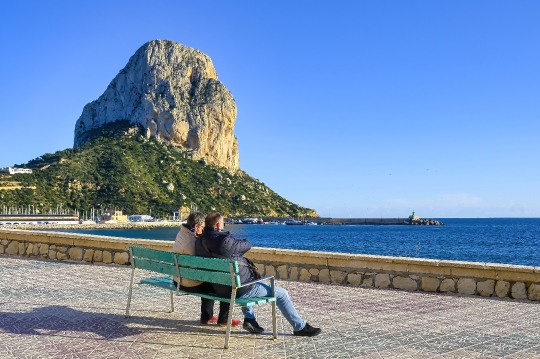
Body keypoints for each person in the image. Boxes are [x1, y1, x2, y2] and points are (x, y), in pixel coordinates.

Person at [195, 212, 321, 337]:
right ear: (218, 225)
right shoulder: (224, 241)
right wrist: (226, 235)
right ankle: (300, 327)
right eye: (223, 224)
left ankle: (250, 319)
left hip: (220, 288)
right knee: (282, 294)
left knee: (243, 280)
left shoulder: (200, 242)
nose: (224, 226)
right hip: (237, 289)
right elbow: (247, 245)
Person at [172, 212, 240, 326]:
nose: (205, 230)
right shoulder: (194, 243)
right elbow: (202, 267)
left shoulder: (182, 233)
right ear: (196, 227)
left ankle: (206, 317)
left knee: (208, 281)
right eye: (203, 227)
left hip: (177, 279)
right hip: (189, 284)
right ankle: (224, 319)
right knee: (225, 284)